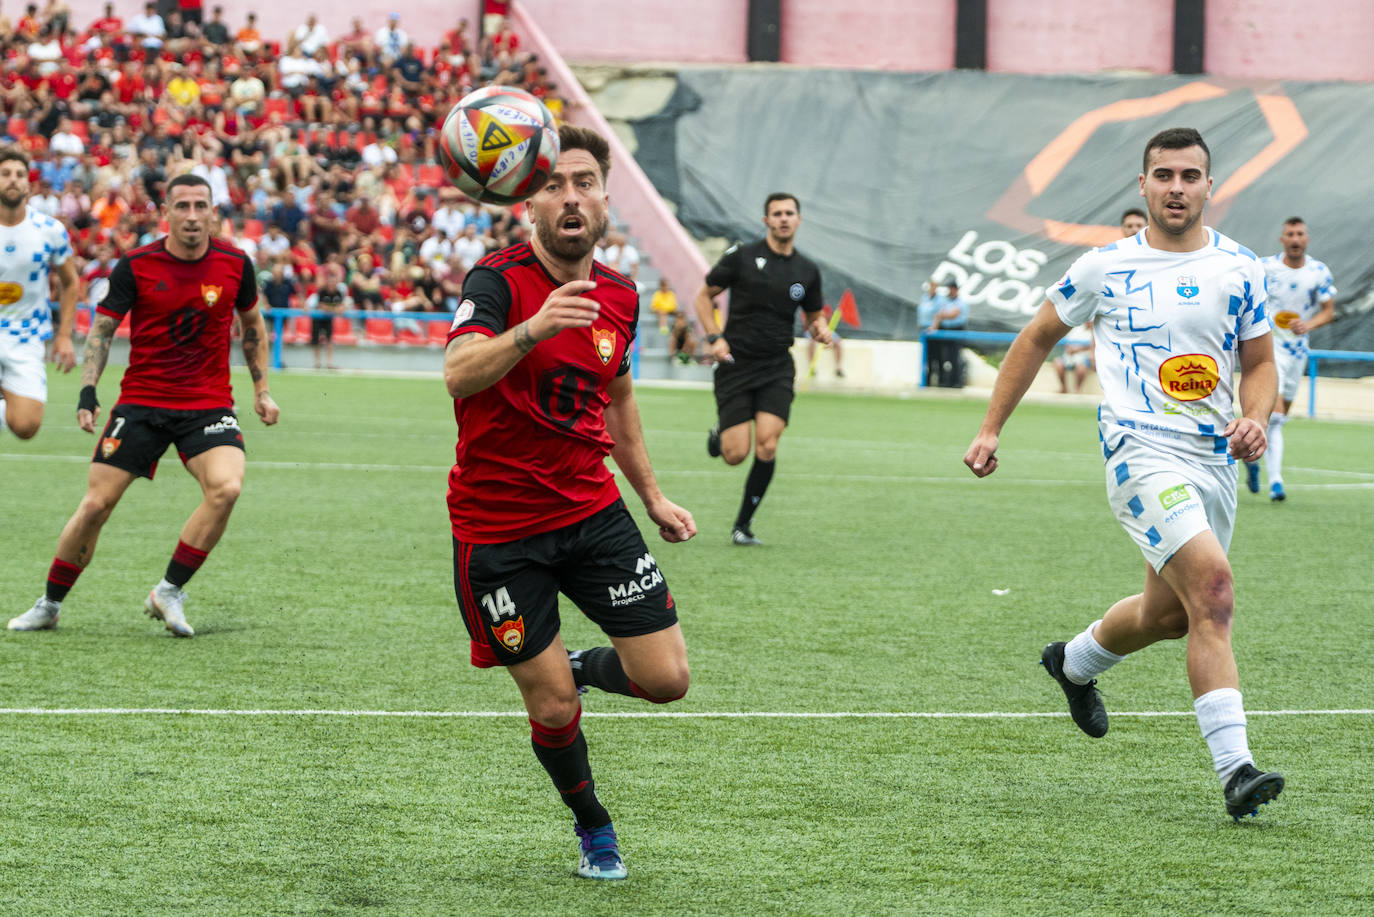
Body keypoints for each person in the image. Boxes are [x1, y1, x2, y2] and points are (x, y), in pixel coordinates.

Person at [963, 127, 1283, 821]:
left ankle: (1072, 663)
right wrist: (991, 427)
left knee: (1171, 615)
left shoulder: (1241, 267)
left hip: (1213, 459)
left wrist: (1255, 416)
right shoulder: (1104, 267)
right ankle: (1237, 770)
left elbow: (1259, 363)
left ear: (1208, 185)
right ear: (1142, 185)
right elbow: (1036, 337)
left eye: (1189, 175)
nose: (1176, 186)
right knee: (1215, 590)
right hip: (1139, 450)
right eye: (1163, 174)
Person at [443, 124, 694, 881]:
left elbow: (617, 393)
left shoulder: (619, 294)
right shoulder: (494, 282)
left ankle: (582, 662)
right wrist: (531, 328)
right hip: (499, 533)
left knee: (667, 680)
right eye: (553, 183)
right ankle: (595, 826)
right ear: (527, 201)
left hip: (593, 513)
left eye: (584, 181)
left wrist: (651, 495)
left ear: (606, 197)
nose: (571, 195)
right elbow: (458, 372)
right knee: (552, 708)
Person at [9, 174, 280, 638]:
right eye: (183, 206)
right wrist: (88, 391)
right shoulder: (136, 264)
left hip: (208, 404)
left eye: (201, 206)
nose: (192, 216)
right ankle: (50, 603)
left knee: (227, 488)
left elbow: (251, 323)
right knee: (96, 504)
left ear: (214, 212)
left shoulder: (236, 263)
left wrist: (261, 390)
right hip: (142, 402)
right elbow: (103, 328)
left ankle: (168, 591)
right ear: (166, 213)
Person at [694, 192, 831, 545]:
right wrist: (714, 338)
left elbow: (814, 316)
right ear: (766, 220)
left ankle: (743, 525)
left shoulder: (808, 270)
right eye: (777, 213)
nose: (784, 218)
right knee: (735, 455)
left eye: (789, 213)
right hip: (736, 363)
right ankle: (720, 432)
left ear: (798, 220)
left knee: (767, 446)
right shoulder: (742, 256)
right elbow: (702, 296)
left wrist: (820, 328)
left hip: (776, 367)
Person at [1247, 217, 1336, 502]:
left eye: (1300, 234)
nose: (1296, 239)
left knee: (1279, 418)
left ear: (1307, 239)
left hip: (1298, 351)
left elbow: (1328, 311)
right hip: (1269, 349)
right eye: (1290, 234)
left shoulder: (1318, 272)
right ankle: (1276, 481)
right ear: (1282, 239)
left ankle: (1251, 455)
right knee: (1273, 418)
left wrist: (1309, 325)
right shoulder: (1265, 267)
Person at [0, 148, 79, 440]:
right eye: (5, 173)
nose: (13, 180)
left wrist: (64, 335)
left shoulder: (49, 230)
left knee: (25, 427)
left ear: (29, 185)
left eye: (20, 175)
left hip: (26, 335)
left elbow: (70, 283)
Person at [1054, 208, 1145, 393]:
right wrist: (1095, 349)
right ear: (1122, 229)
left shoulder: (1161, 259)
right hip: (1117, 346)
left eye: (1138, 226)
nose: (1134, 229)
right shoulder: (1107, 261)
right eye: (1129, 226)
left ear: (1146, 227)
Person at [928, 278, 967, 387]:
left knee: (955, 357)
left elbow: (953, 314)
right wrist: (934, 327)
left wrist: (941, 314)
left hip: (957, 330)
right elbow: (938, 314)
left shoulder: (961, 302)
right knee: (945, 357)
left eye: (950, 288)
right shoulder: (946, 301)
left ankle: (957, 382)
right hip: (946, 330)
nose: (948, 291)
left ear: (954, 289)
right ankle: (946, 381)